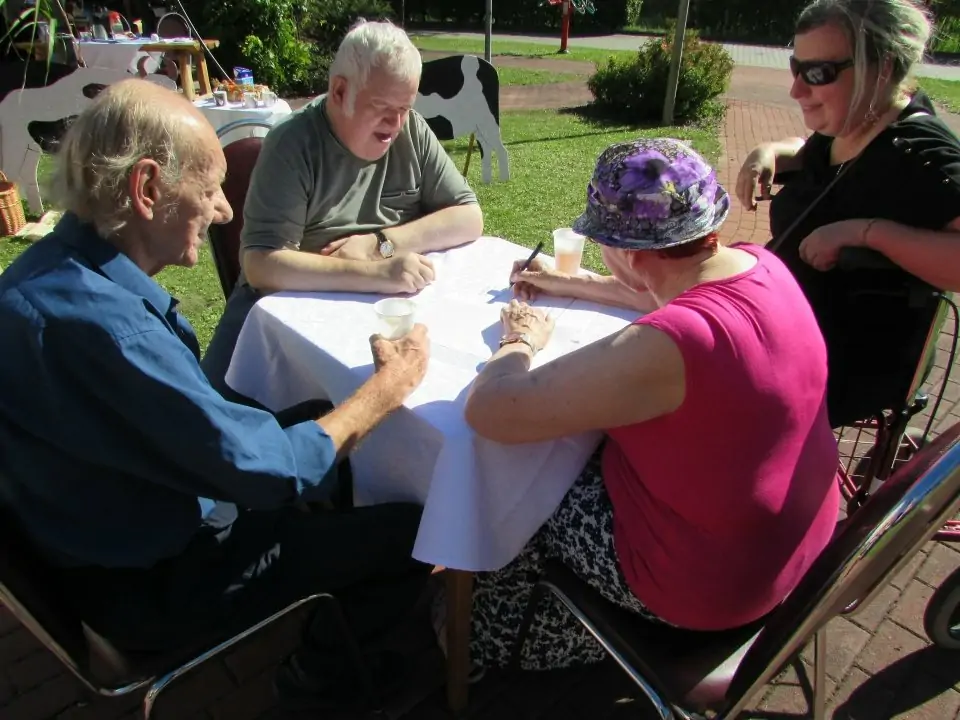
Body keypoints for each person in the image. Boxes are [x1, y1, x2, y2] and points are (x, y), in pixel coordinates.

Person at [0, 80, 433, 709]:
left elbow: (209, 434)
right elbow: (266, 472)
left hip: (95, 537)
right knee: (413, 534)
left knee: (318, 419)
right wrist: (386, 390)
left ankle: (329, 580)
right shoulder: (112, 331)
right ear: (147, 189)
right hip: (155, 585)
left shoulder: (35, 282)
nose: (225, 212)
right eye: (209, 190)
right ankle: (320, 676)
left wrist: (334, 420)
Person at [461, 138, 841, 670]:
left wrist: (519, 340)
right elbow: (653, 291)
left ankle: (498, 637)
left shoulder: (675, 342)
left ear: (630, 253)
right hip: (794, 553)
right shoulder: (761, 265)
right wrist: (570, 282)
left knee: (525, 479)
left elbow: (491, 411)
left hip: (714, 587)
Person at [201, 19, 484, 397]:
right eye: (382, 107)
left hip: (374, 319)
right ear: (339, 91)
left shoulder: (411, 129)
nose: (396, 123)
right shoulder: (293, 144)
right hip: (286, 327)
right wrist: (376, 274)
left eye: (405, 107)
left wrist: (380, 243)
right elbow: (262, 266)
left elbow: (469, 217)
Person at [736, 0, 960, 426]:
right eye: (795, 68)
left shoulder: (920, 154)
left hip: (842, 366)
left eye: (818, 73)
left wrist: (866, 232)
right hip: (782, 335)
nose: (796, 90)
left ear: (883, 68)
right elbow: (813, 154)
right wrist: (771, 152)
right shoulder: (851, 123)